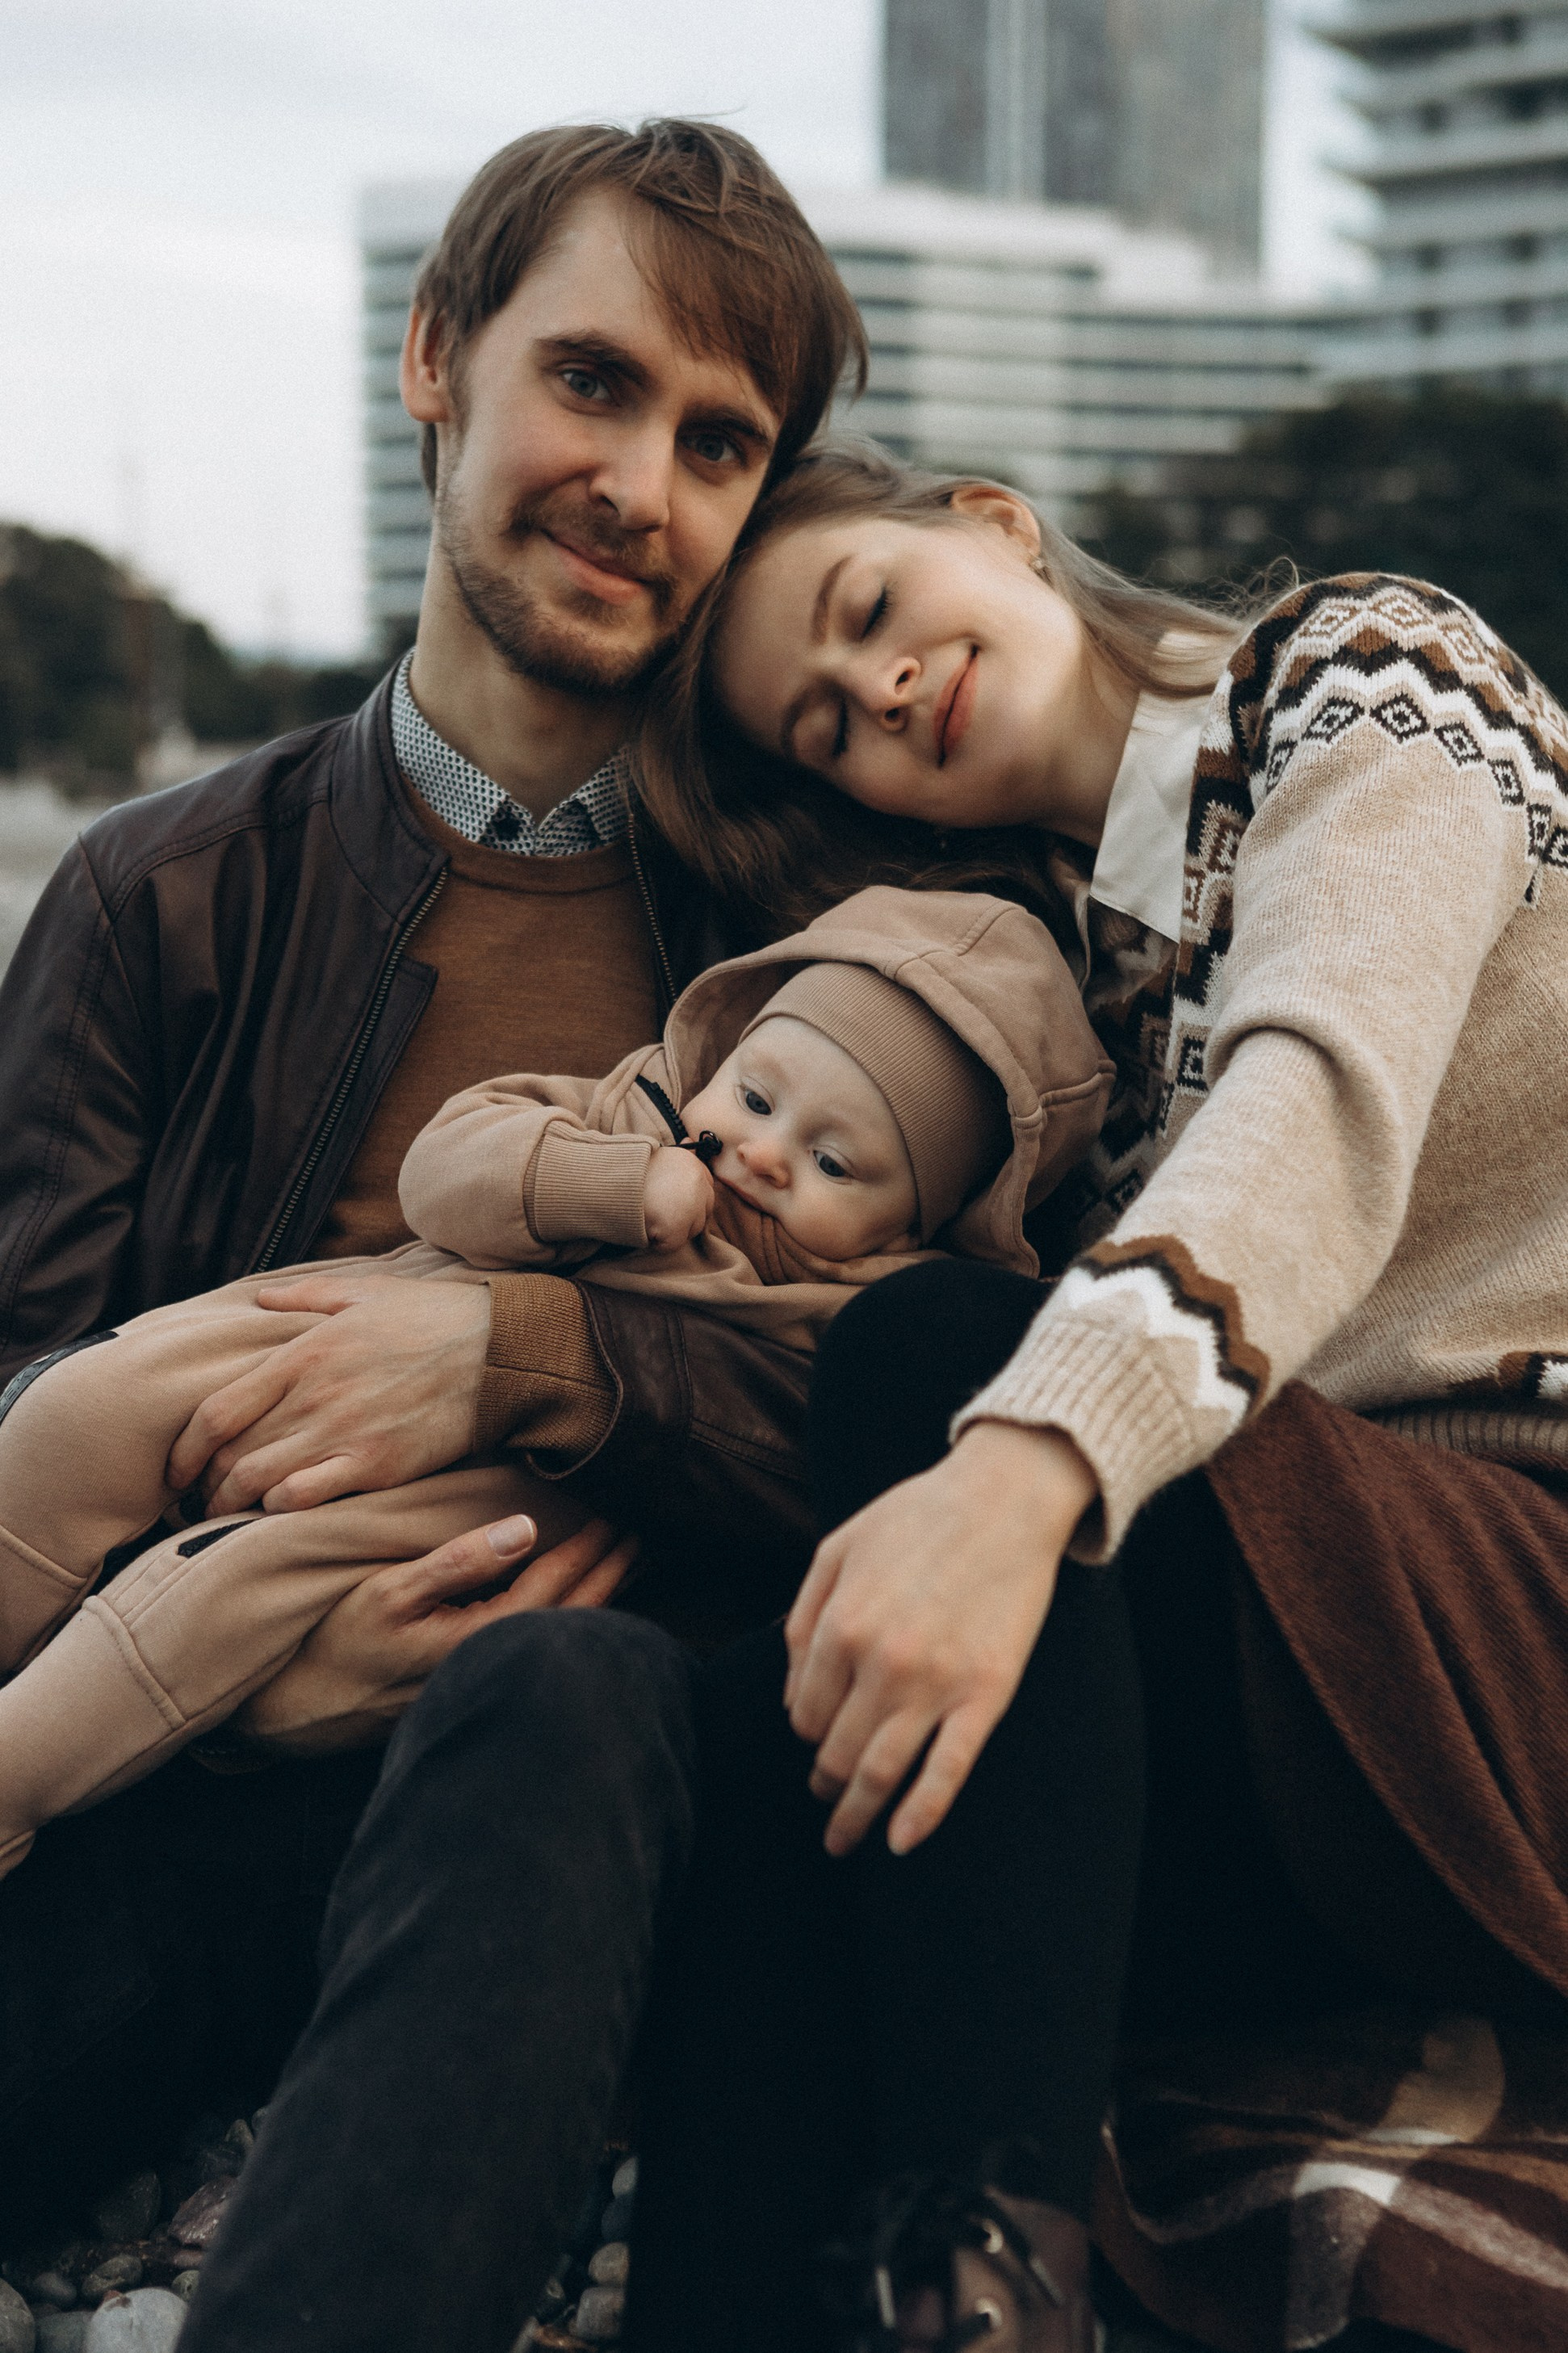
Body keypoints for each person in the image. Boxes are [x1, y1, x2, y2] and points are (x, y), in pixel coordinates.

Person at [603, 447, 1568, 2351]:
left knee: (931, 1359)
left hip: (1521, 1584)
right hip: (1337, 1693)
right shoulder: (1070, 999)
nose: (877, 694)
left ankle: (991, 2292)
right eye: (826, 728)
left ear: (988, 519)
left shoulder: (1365, 677)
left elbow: (1322, 1089)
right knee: (764, 1735)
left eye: (868, 612)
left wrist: (1027, 1456)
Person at [0, 119, 866, 2233]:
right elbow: (29, 1409)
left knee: (556, 1703)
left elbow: (929, 1389)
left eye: (718, 440)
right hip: (164, 1795)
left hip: (600, 1791)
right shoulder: (151, 896)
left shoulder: (844, 942)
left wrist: (535, 1351)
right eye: (591, 381)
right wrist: (233, 1682)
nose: (639, 487)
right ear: (435, 357)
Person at [0, 887, 1109, 1868]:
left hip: (507, 1495)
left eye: (836, 1162)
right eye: (758, 1098)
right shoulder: (632, 1112)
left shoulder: (864, 1309)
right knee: (83, 1409)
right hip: (343, 1329)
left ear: (914, 1223)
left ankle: (16, 1780)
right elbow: (446, 1168)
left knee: (220, 1590)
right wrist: (613, 1185)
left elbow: (783, 1445)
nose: (763, 1155)